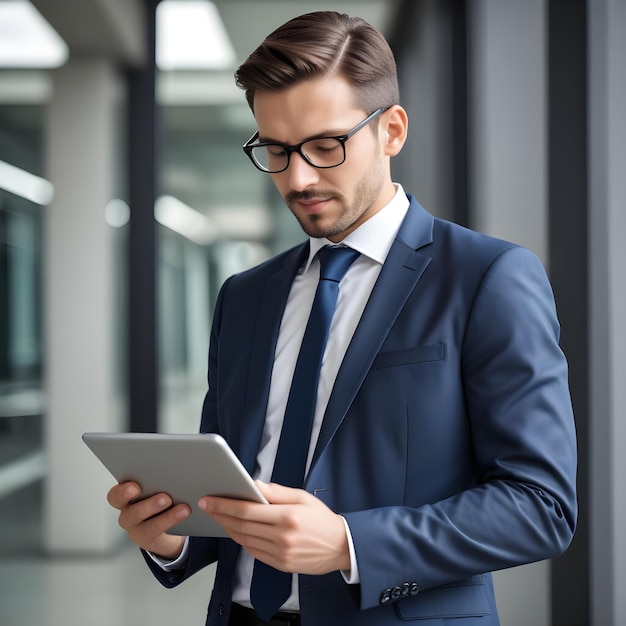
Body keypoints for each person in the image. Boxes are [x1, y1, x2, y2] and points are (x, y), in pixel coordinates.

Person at [107, 10, 577, 626]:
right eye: (275, 150)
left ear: (392, 131)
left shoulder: (487, 278)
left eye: (326, 146)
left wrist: (350, 545)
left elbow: (540, 506)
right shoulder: (244, 296)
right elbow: (237, 490)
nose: (298, 177)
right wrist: (170, 535)